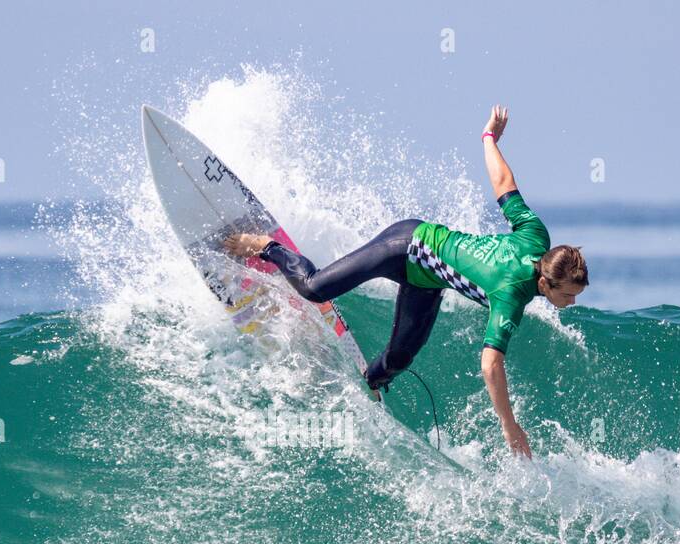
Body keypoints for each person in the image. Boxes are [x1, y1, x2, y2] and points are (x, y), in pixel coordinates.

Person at [225, 106, 587, 459]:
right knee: (314, 288)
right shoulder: (510, 296)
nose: (571, 303)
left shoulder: (538, 236)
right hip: (405, 246)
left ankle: (370, 385)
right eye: (568, 295)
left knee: (399, 358)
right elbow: (490, 364)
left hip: (427, 280)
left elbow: (505, 186)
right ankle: (265, 246)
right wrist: (509, 425)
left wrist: (489, 137)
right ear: (545, 284)